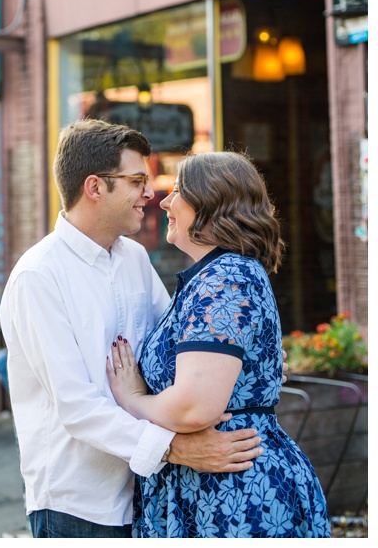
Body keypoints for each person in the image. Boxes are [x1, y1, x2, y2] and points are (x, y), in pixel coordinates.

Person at [0, 119, 265, 538]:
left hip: (151, 496)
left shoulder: (135, 259)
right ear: (95, 187)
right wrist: (180, 450)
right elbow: (78, 408)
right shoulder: (39, 276)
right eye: (137, 180)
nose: (151, 193)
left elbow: (179, 348)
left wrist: (249, 357)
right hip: (81, 504)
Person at [107, 151, 330, 537]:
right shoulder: (215, 276)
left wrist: (130, 399)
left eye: (177, 191)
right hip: (217, 489)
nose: (164, 202)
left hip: (235, 497)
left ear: (210, 202)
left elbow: (194, 407)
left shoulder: (224, 279)